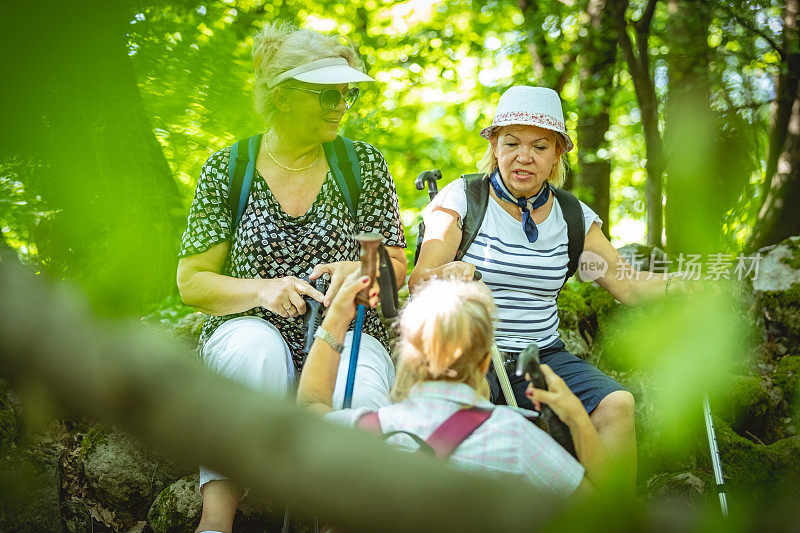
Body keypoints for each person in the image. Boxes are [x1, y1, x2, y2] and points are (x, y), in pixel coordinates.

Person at [176, 21, 406, 533]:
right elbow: (191, 282)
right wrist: (264, 289)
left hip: (348, 327)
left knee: (364, 392)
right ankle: (216, 522)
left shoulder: (360, 165)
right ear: (280, 98)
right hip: (248, 326)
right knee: (256, 355)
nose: (339, 105)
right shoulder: (229, 167)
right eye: (324, 94)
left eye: (344, 93)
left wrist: (357, 270)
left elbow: (394, 268)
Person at [409, 86, 688, 490]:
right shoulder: (463, 198)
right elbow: (418, 283)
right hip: (465, 353)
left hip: (539, 357)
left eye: (540, 146)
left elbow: (629, 287)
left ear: (558, 153)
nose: (524, 157)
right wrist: (450, 273)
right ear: (494, 146)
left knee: (617, 404)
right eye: (512, 143)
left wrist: (686, 284)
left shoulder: (572, 216)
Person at [297, 275, 610, 496]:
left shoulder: (365, 430)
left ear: (406, 356)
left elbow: (311, 405)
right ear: (486, 361)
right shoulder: (516, 439)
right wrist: (577, 418)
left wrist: (336, 318)